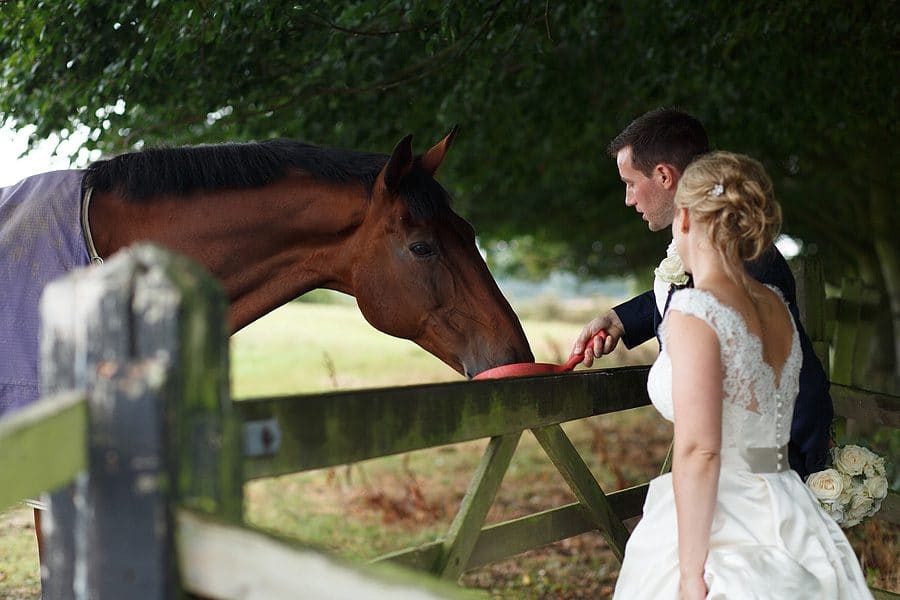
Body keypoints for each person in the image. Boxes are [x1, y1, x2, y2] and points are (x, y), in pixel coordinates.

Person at [611, 151, 871, 599]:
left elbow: (699, 452)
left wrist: (691, 574)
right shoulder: (776, 307)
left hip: (720, 516)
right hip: (789, 504)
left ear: (686, 218)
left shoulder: (696, 311)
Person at [572, 108, 833, 480]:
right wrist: (619, 319)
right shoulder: (706, 252)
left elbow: (800, 379)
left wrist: (796, 479)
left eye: (630, 182)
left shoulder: (747, 261)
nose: (629, 199)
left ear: (663, 175)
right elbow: (689, 294)